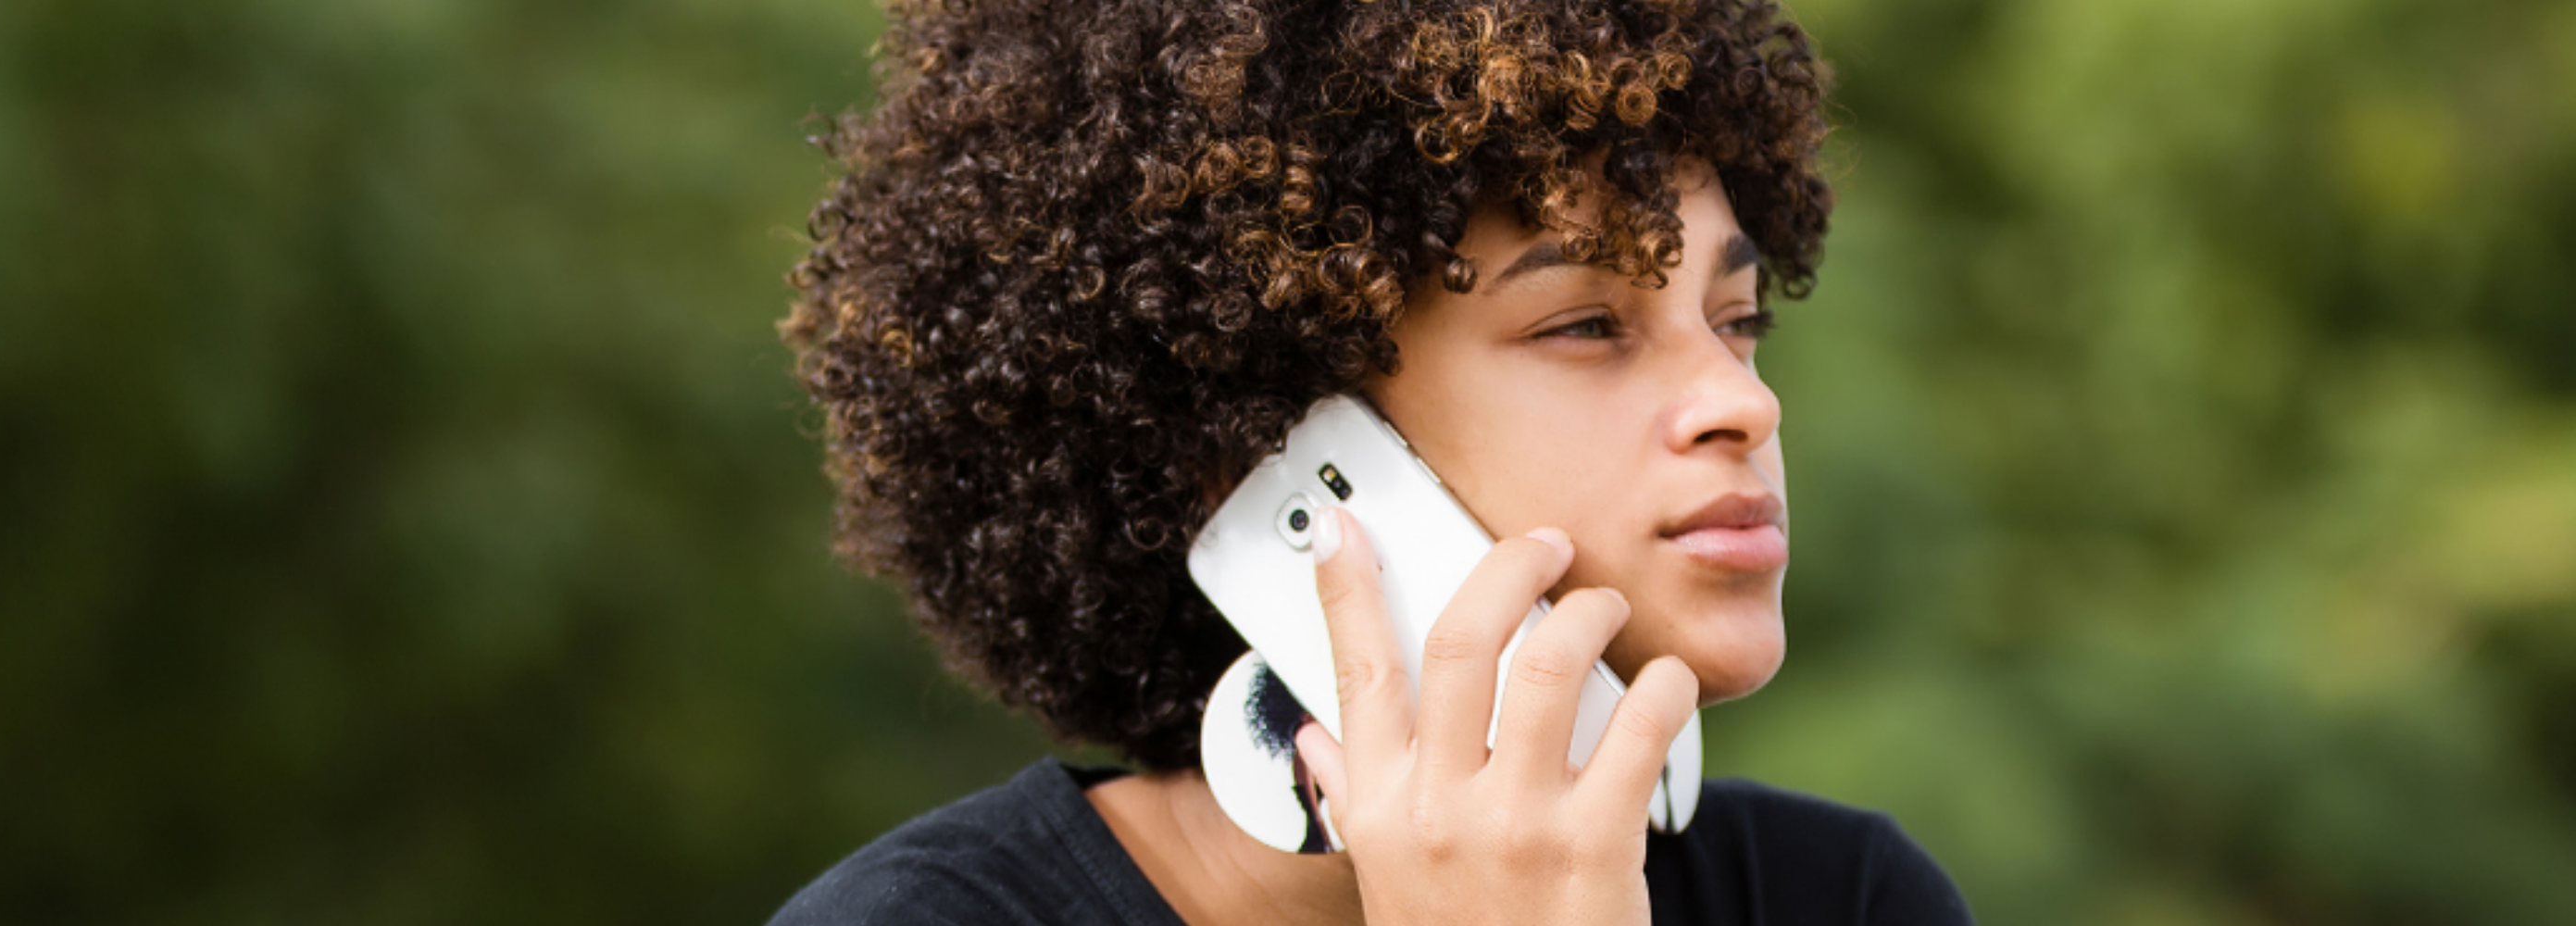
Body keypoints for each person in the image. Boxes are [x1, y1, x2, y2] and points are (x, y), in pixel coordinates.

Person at [770, 0, 1972, 922]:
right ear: (1261, 452)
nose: (1738, 403)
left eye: (1737, 320)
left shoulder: (1840, 897)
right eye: (1587, 325)